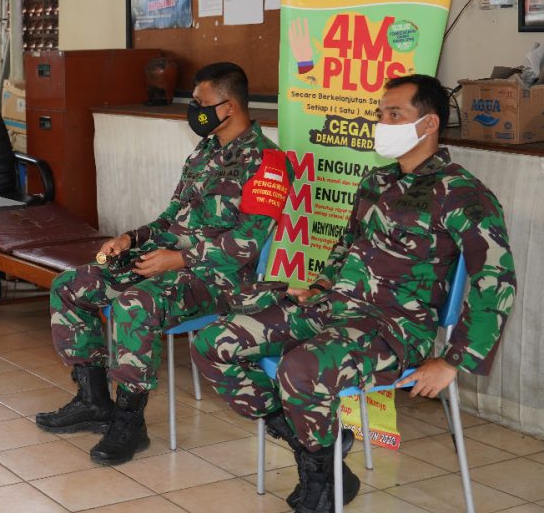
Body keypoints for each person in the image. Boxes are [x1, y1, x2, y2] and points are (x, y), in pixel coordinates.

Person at [192, 74, 517, 513]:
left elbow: (494, 281)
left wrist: (454, 360)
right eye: (380, 114)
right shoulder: (376, 182)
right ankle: (318, 448)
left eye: (394, 114)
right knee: (215, 343)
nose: (382, 123)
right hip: (335, 306)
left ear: (429, 123)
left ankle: (322, 480)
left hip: (395, 327)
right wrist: (322, 283)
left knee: (300, 369)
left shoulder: (462, 194)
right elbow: (347, 245)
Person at [36, 62, 290, 465]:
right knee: (72, 284)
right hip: (171, 262)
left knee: (135, 305)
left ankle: (129, 421)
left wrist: (180, 258)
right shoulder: (205, 152)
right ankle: (93, 400)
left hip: (220, 279)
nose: (195, 110)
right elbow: (171, 218)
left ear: (229, 106)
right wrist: (131, 239)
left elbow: (246, 243)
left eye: (201, 103)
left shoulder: (268, 162)